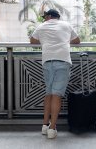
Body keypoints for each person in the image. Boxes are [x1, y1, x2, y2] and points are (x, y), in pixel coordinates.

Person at [30, 9, 80, 139]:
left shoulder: (41, 27)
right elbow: (77, 41)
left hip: (47, 61)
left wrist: (45, 40)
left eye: (44, 17)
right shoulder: (66, 25)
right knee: (56, 95)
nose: (43, 19)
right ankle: (52, 129)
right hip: (62, 61)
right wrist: (64, 40)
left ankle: (45, 125)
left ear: (49, 16)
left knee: (49, 93)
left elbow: (33, 41)